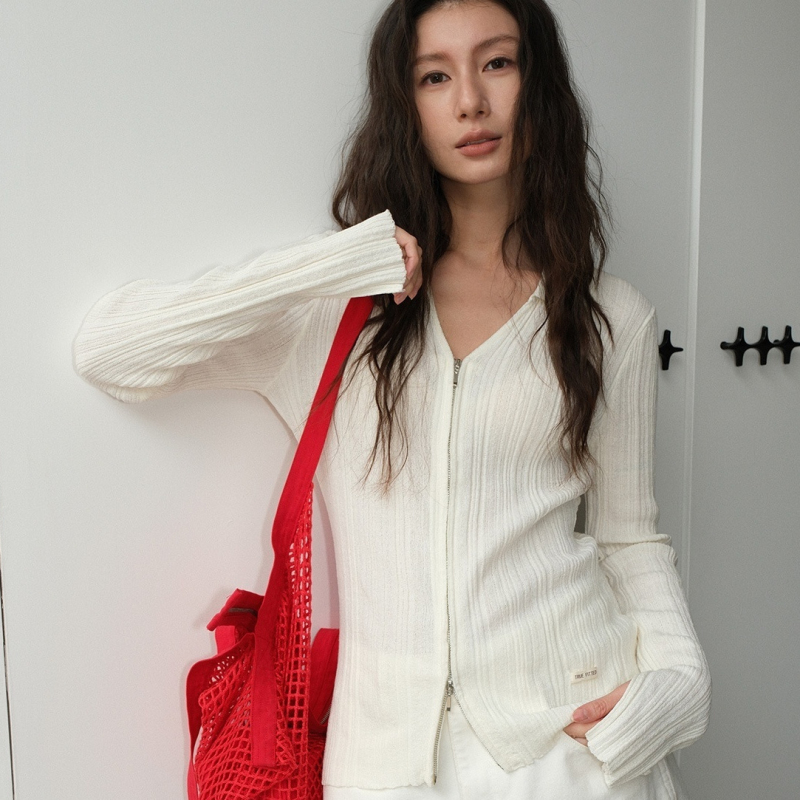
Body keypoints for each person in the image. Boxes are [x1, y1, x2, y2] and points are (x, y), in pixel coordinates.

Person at [73, 0, 711, 798]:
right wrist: (332, 264)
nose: (471, 101)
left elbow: (628, 539)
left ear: (538, 83)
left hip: (572, 750)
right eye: (434, 76)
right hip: (384, 764)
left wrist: (681, 680)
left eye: (497, 63)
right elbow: (112, 350)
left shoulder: (609, 317)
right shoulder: (337, 317)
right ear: (404, 105)